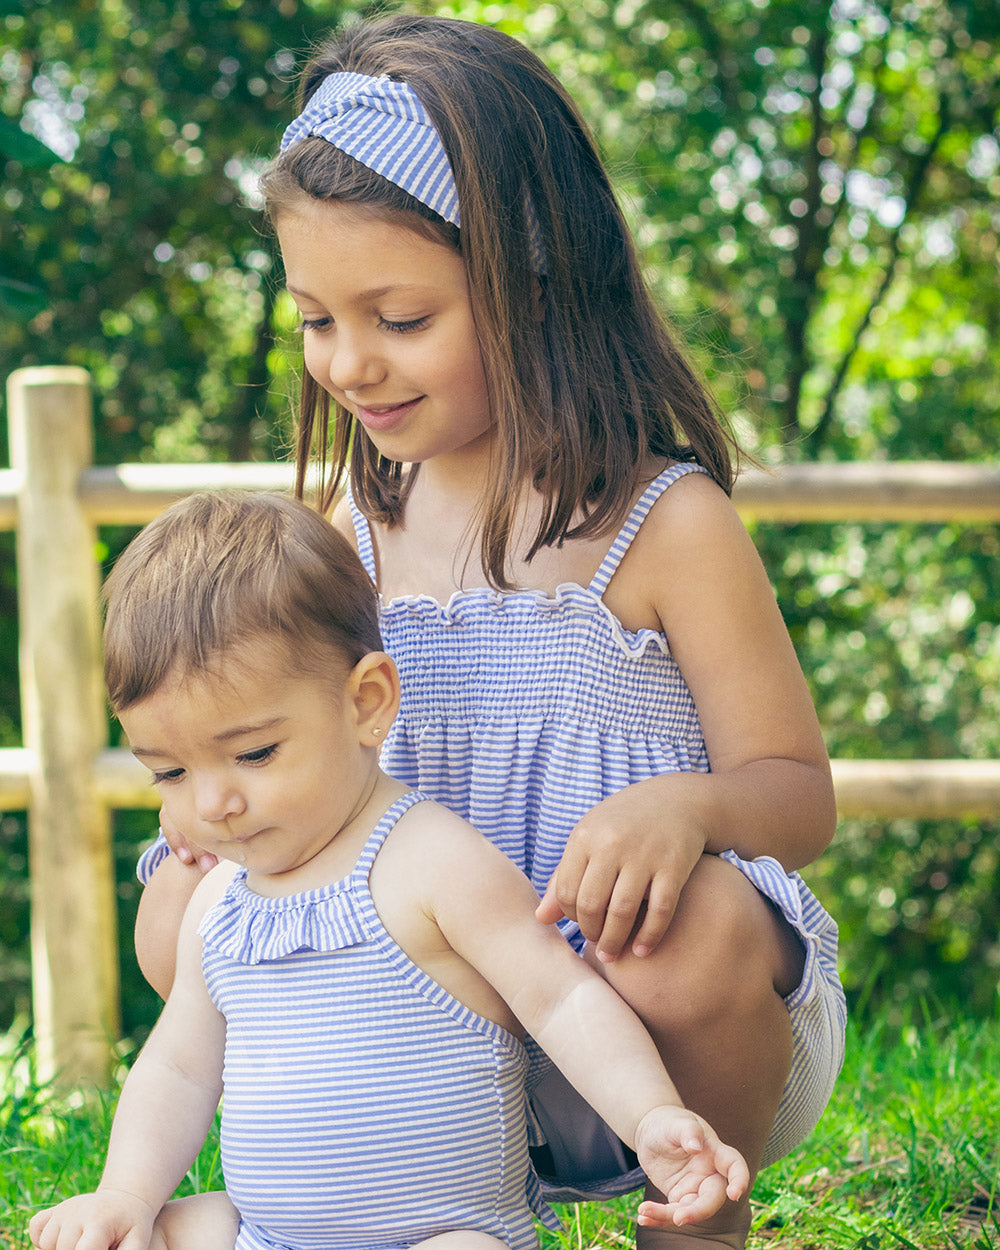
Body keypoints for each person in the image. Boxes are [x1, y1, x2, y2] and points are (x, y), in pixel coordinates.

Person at [133, 15, 847, 1248]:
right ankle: (381, 1203)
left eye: (399, 318)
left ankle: (695, 1213)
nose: (348, 362)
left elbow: (797, 793)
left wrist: (684, 810)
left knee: (698, 927)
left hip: (636, 1042)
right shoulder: (342, 534)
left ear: (530, 277)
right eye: (315, 321)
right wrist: (218, 807)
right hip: (438, 1060)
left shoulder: (662, 523)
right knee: (177, 912)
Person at [29, 492, 749, 1250]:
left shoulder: (430, 860)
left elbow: (562, 1002)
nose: (215, 803)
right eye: (171, 772)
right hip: (265, 1236)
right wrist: (128, 1195)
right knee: (157, 1236)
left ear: (366, 703)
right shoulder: (219, 904)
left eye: (253, 754)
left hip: (441, 1235)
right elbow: (176, 1070)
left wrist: (651, 1115)